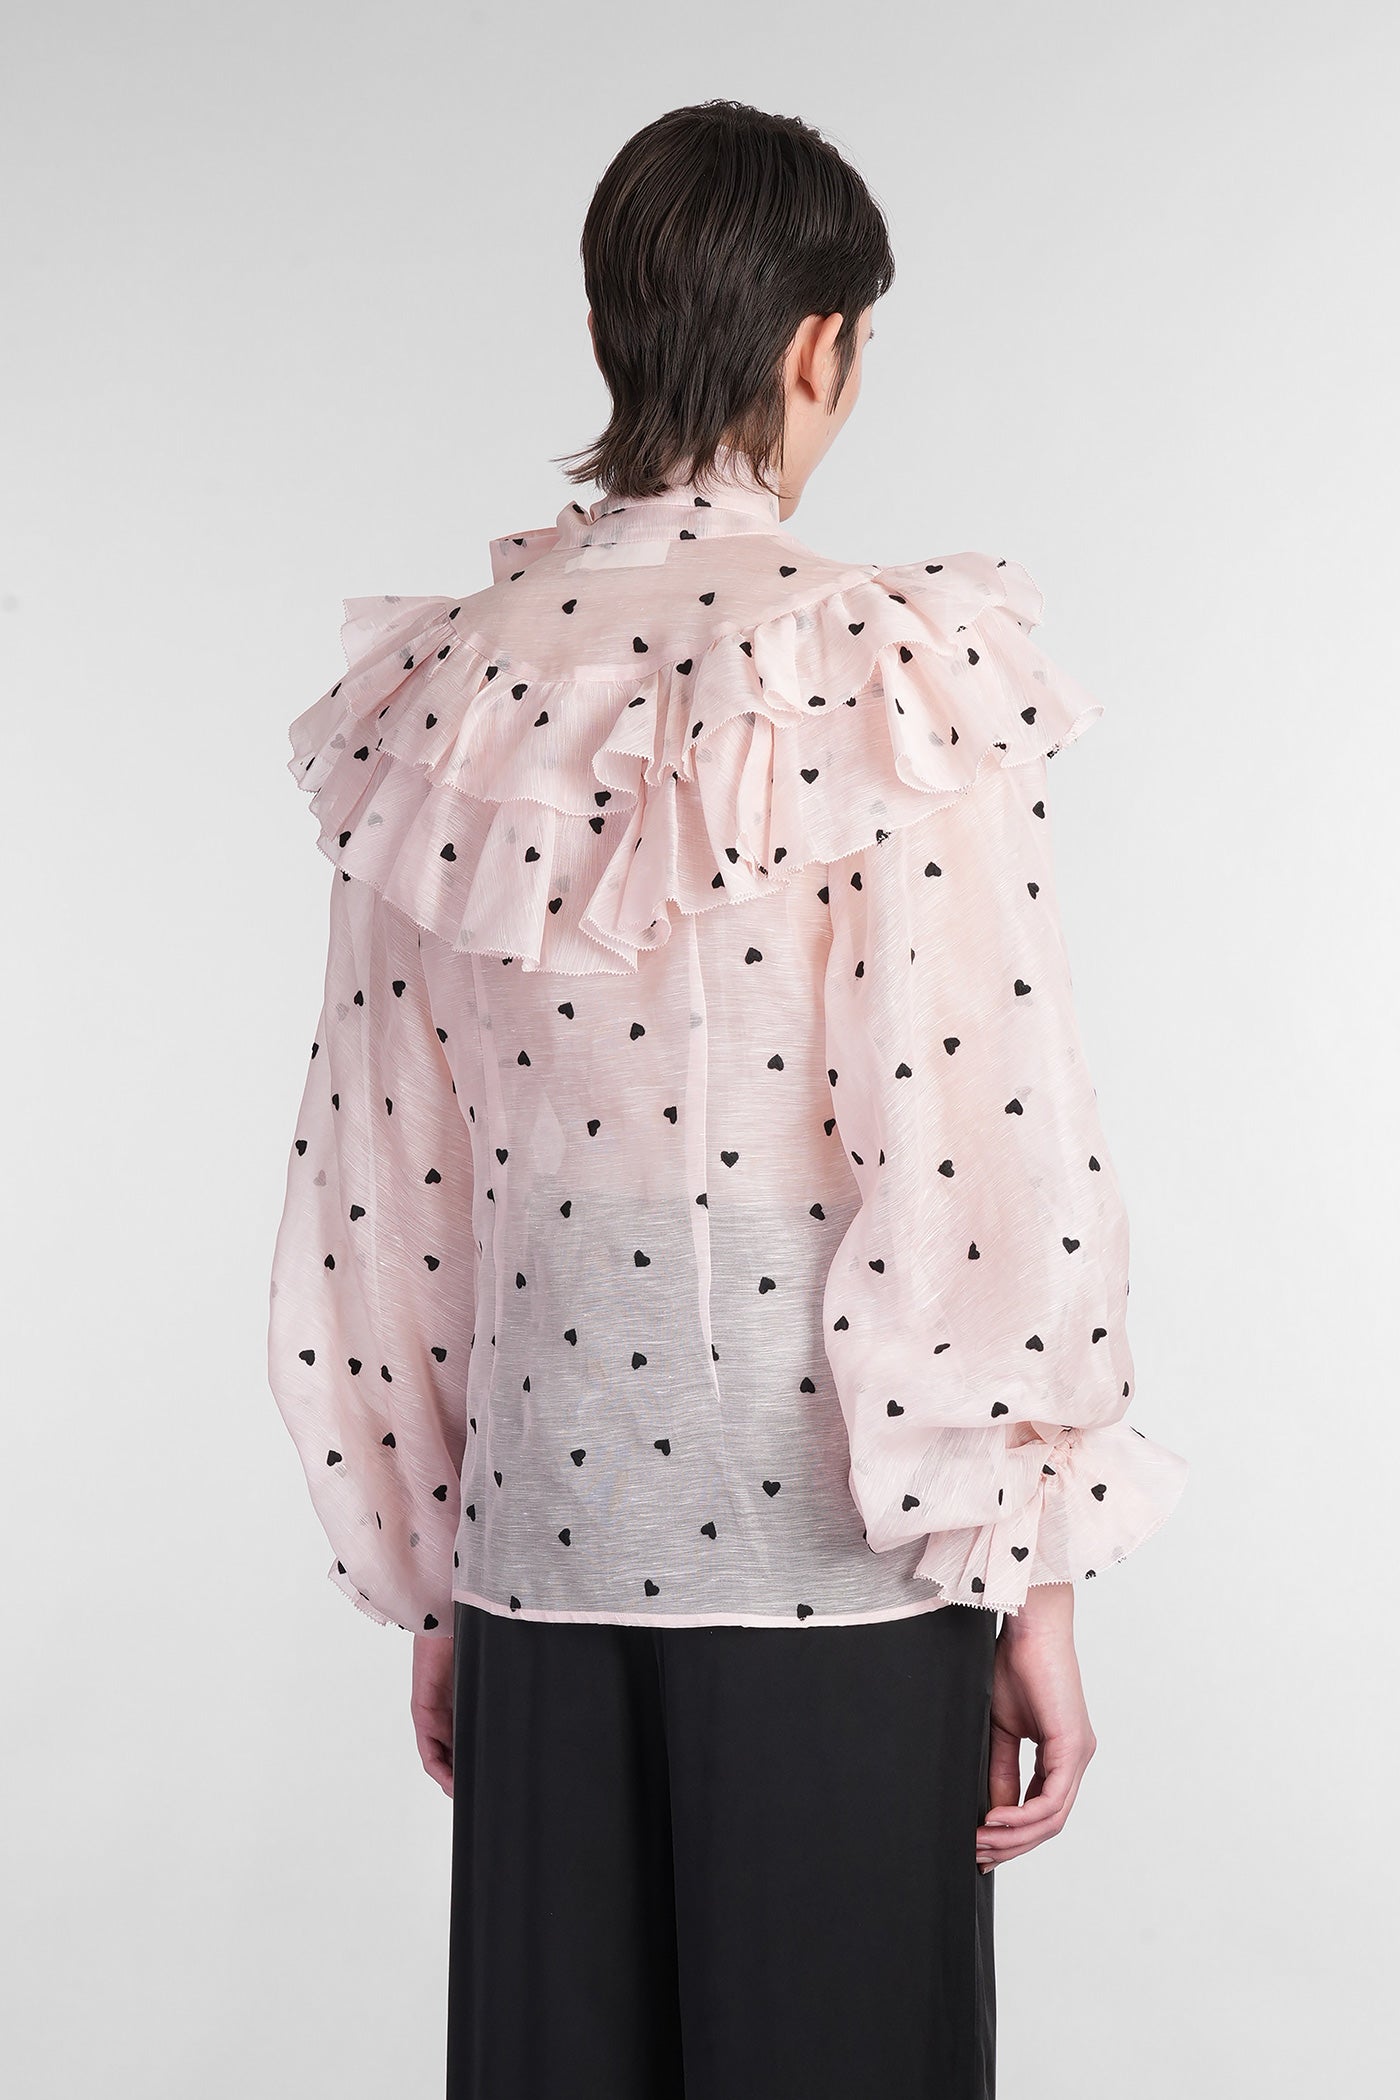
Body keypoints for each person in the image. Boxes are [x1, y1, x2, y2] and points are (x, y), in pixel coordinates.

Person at [267, 97, 1189, 2100]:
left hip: (539, 1542)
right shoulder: (880, 670)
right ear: (818, 344)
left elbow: (383, 1183)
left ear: (616, 328)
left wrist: (440, 1573)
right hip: (843, 1547)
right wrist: (1026, 1572)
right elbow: (976, 1146)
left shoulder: (448, 695)